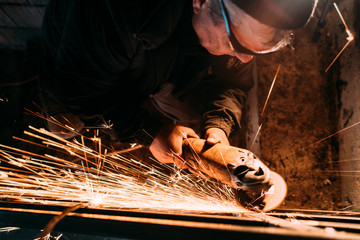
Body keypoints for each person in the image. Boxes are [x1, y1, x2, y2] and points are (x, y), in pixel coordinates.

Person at [39, 0, 318, 166]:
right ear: (202, 1)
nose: (245, 60)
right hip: (78, 69)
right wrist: (147, 132)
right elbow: (82, 92)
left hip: (158, 62)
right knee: (71, 122)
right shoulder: (119, 13)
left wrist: (218, 126)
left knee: (189, 114)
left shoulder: (235, 19)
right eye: (236, 44)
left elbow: (232, 82)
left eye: (254, 52)